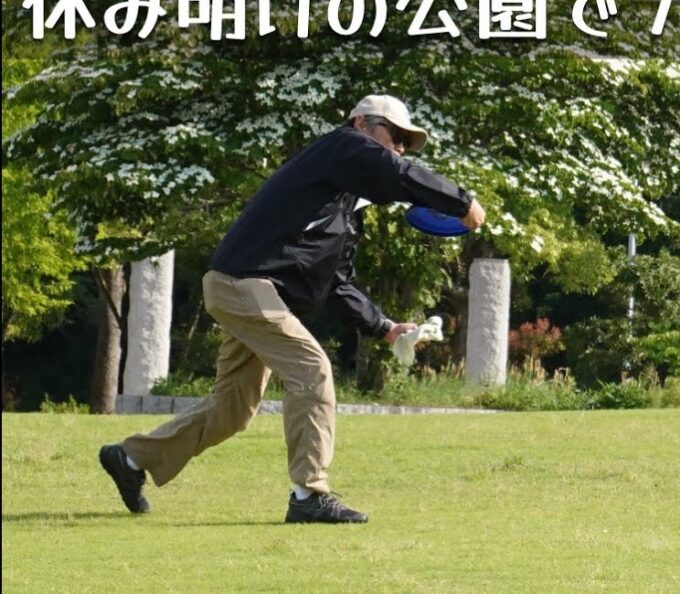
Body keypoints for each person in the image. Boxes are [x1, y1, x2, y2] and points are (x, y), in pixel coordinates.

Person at [99, 94, 486, 524]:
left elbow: (338, 283)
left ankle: (131, 460)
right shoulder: (342, 145)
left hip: (251, 293)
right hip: (243, 286)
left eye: (405, 143)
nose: (398, 147)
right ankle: (309, 494)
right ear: (362, 123)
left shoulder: (342, 211)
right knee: (312, 370)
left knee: (233, 409)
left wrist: (385, 327)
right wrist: (462, 201)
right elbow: (396, 173)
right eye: (394, 135)